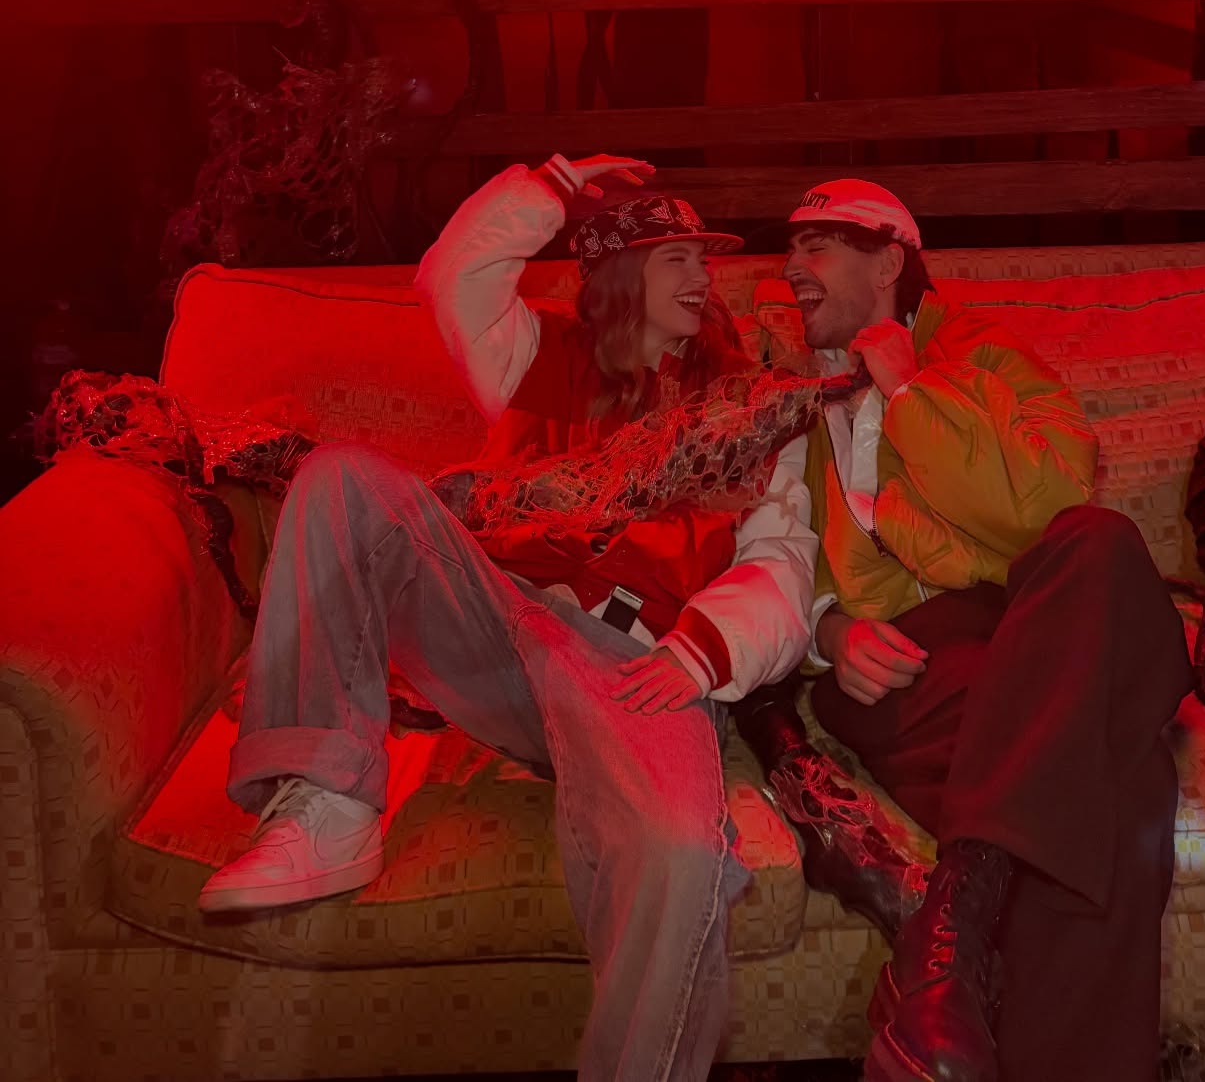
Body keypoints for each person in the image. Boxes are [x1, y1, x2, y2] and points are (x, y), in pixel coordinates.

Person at [199, 151, 819, 1082]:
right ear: (619, 273)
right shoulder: (538, 355)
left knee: (683, 853)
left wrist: (701, 653)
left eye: (705, 259)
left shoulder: (745, 404)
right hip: (499, 623)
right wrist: (553, 187)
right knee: (341, 479)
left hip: (631, 664)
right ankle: (327, 802)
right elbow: (452, 273)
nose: (702, 277)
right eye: (676, 258)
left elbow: (781, 558)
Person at [738, 178, 1194, 1082]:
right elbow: (771, 552)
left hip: (1029, 632)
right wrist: (831, 632)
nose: (790, 267)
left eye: (816, 245)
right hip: (900, 670)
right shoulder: (788, 399)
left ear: (888, 262)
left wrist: (910, 390)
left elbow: (1046, 510)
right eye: (789, 248)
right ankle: (958, 935)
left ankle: (948, 935)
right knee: (1123, 783)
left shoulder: (990, 359)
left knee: (1100, 545)